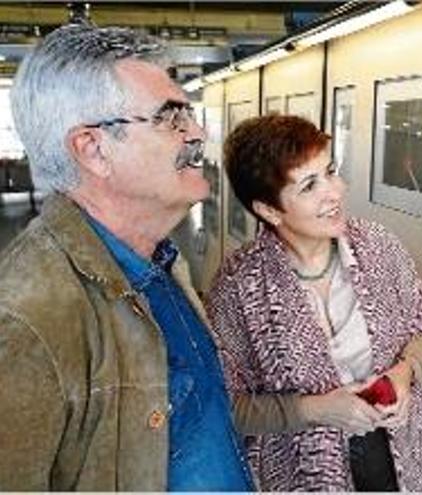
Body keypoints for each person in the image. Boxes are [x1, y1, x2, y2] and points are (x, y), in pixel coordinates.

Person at [0, 24, 253, 490]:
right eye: (170, 117)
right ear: (93, 149)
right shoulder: (27, 322)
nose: (196, 132)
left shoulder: (159, 264)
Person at [207, 114, 422, 491]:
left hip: (405, 461)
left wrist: (406, 372)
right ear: (269, 210)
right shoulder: (239, 286)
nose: (334, 192)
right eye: (309, 186)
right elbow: (225, 406)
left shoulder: (378, 247)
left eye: (331, 171)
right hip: (303, 475)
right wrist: (316, 409)